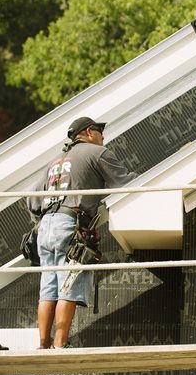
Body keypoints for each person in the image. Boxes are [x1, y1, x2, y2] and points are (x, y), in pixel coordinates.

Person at [27, 117, 134, 349]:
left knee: (48, 287)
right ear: (88, 132)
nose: (103, 137)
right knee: (69, 284)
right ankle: (59, 345)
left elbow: (32, 198)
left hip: (46, 227)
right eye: (100, 132)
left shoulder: (54, 161)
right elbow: (124, 183)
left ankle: (43, 345)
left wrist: (41, 220)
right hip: (71, 224)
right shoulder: (97, 153)